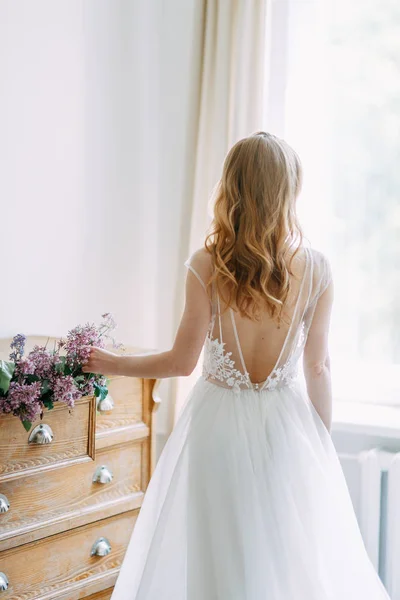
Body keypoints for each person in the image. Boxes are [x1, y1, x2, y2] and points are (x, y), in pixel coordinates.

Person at [84, 132, 390, 599]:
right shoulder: (318, 269)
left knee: (219, 557)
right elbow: (319, 368)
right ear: (289, 191)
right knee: (286, 559)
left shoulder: (206, 265)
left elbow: (182, 362)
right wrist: (318, 441)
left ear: (231, 187)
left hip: (218, 427)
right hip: (288, 429)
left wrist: (112, 363)